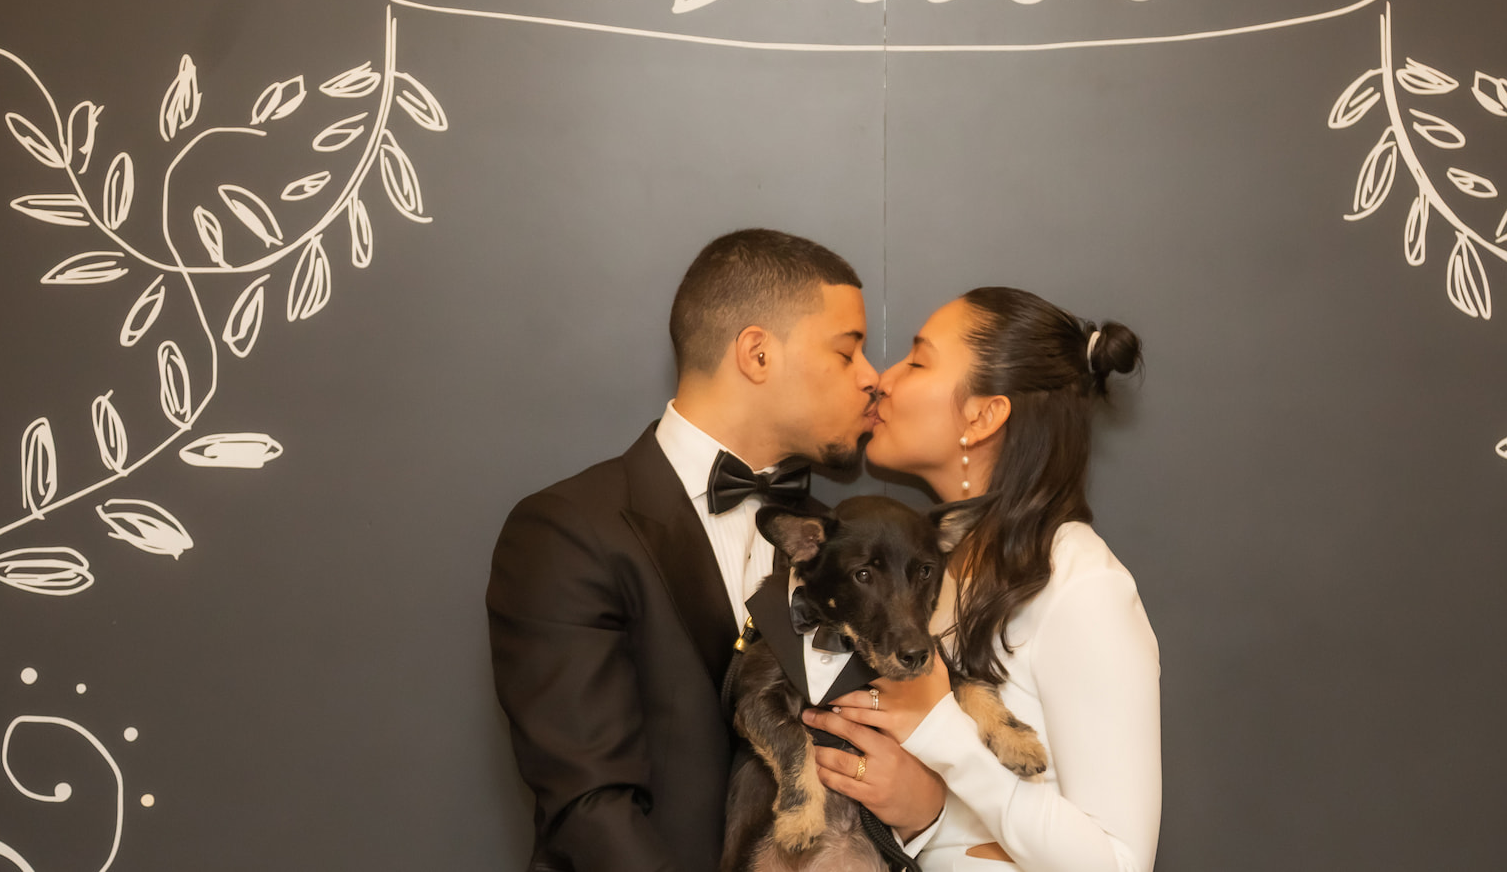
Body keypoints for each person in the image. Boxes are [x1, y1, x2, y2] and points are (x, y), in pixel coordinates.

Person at [486, 229, 879, 872]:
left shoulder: (839, 542)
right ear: (757, 354)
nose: (872, 378)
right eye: (847, 351)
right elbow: (590, 808)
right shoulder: (567, 530)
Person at [799, 287, 1160, 872]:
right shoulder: (931, 571)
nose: (883, 380)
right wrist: (926, 814)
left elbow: (1118, 864)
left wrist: (941, 731)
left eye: (917, 362)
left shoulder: (1082, 585)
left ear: (983, 415)